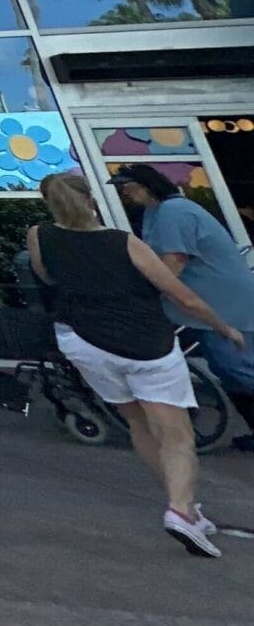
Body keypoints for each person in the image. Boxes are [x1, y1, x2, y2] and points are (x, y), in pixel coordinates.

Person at [27, 170, 246, 557]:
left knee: (137, 423)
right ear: (91, 201)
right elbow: (181, 295)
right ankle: (181, 509)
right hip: (144, 343)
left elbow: (47, 276)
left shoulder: (38, 237)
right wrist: (223, 326)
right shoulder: (124, 243)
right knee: (176, 433)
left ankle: (189, 508)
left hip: (84, 341)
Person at [114, 164, 254, 454]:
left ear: (146, 185)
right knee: (227, 367)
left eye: (128, 186)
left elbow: (173, 263)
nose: (124, 192)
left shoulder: (173, 212)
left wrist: (144, 292)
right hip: (207, 299)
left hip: (219, 301)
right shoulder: (158, 212)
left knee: (236, 366)